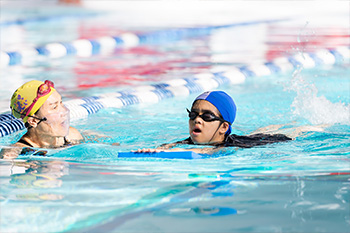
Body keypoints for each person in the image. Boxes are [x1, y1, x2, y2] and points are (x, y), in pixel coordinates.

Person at [137, 91, 292, 154]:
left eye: (207, 117)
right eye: (193, 115)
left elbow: (208, 151)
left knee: (287, 134)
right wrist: (153, 151)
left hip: (254, 141)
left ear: (223, 127)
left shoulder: (225, 148)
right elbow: (166, 147)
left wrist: (169, 153)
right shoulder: (185, 143)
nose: (197, 119)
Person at [0, 80, 83, 159]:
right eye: (54, 107)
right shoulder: (17, 151)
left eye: (61, 103)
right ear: (33, 121)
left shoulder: (72, 136)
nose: (63, 111)